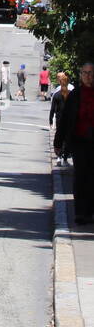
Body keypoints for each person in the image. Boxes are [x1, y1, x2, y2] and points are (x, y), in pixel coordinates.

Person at [54, 63, 94, 222]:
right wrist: (58, 142)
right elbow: (65, 120)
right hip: (79, 140)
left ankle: (90, 211)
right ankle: (80, 212)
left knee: (92, 176)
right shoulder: (75, 94)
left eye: (91, 73)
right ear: (80, 75)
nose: (88, 76)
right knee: (81, 175)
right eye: (85, 73)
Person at [50, 72, 74, 164]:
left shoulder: (57, 94)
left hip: (60, 118)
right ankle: (65, 156)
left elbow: (53, 109)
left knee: (60, 136)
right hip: (70, 119)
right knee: (68, 137)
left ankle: (59, 155)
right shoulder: (72, 93)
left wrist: (51, 120)